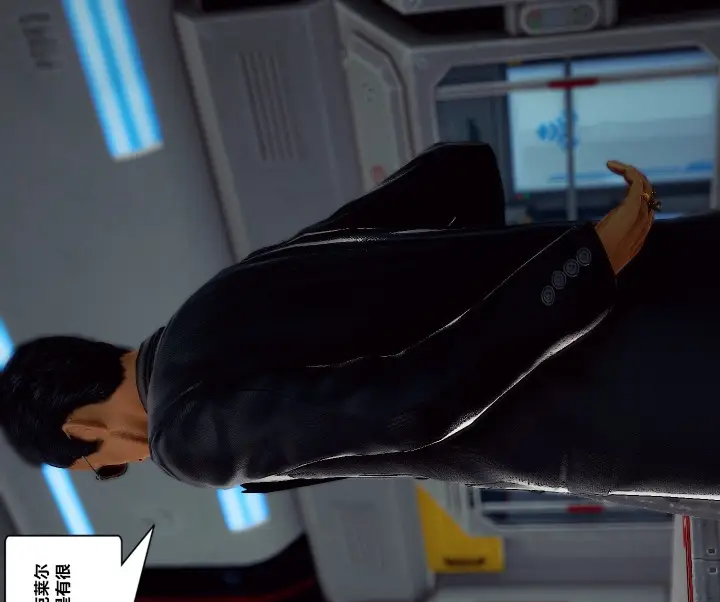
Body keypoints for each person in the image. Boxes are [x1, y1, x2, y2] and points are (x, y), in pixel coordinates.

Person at [5, 141, 696, 515]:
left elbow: (412, 409)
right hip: (667, 268)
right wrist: (485, 273)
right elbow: (457, 171)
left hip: (633, 398)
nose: (123, 465)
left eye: (101, 466)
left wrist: (577, 274)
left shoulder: (183, 437)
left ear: (82, 430)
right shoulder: (220, 296)